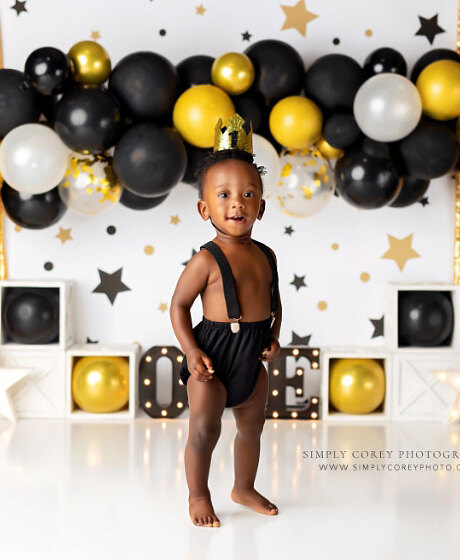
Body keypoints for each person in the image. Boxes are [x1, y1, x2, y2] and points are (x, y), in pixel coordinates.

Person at [170, 114, 282, 528]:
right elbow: (179, 306)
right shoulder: (205, 260)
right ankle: (198, 494)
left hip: (252, 354)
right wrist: (191, 350)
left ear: (261, 207)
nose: (238, 202)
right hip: (213, 356)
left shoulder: (267, 254)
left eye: (248, 193)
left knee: (252, 426)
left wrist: (273, 335)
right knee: (204, 430)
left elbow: (275, 300)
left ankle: (243, 487)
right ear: (204, 208)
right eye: (224, 194)